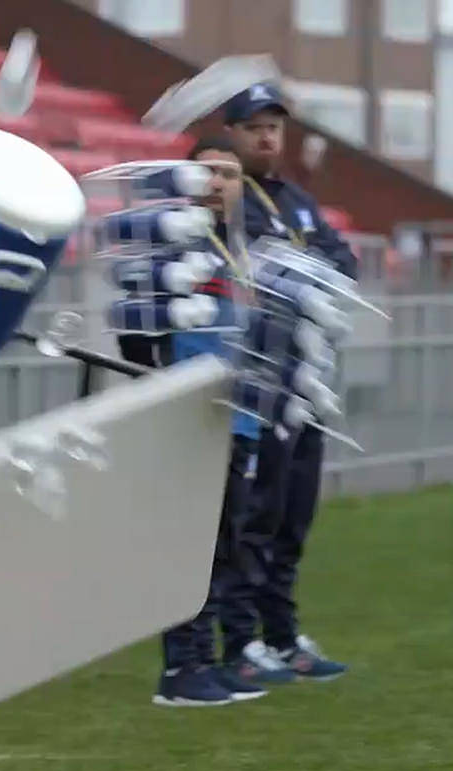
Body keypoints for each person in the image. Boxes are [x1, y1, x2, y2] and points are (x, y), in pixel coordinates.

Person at [217, 83, 355, 684]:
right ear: (232, 133)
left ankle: (282, 635)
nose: (268, 136)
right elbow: (254, 270)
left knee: (294, 515)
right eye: (255, 127)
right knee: (256, 515)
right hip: (258, 386)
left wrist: (310, 272)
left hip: (305, 384)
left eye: (275, 126)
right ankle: (241, 642)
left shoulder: (295, 199)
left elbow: (342, 261)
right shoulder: (225, 197)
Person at [147, 136, 280, 707]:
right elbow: (143, 332)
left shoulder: (244, 251)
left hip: (238, 417)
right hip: (189, 417)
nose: (218, 183)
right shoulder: (171, 248)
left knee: (224, 543)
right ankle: (181, 668)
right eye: (207, 173)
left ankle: (207, 657)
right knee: (188, 543)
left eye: (228, 173)